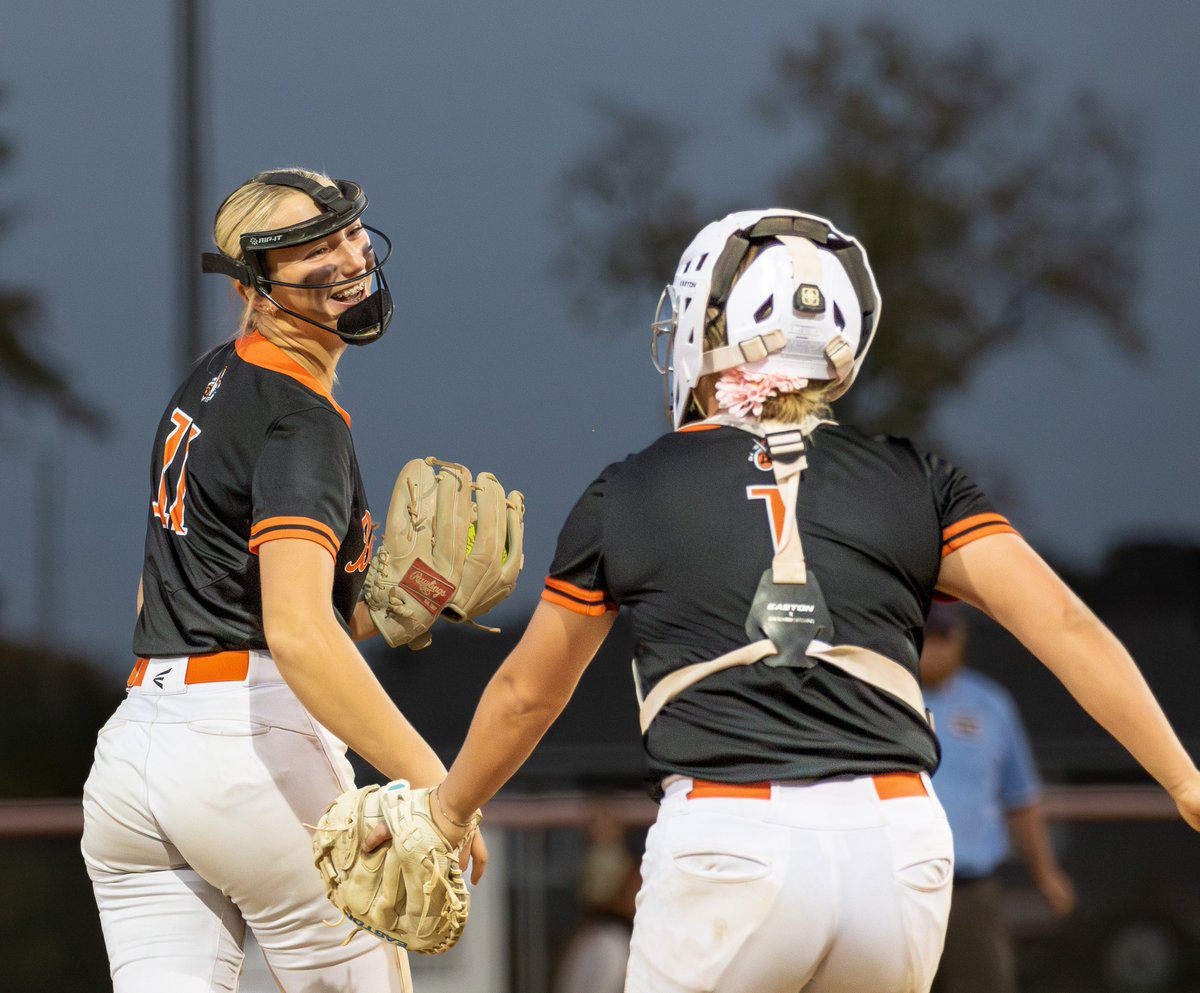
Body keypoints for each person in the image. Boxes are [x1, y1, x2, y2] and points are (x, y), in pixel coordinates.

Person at [376, 208, 1200, 993]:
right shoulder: (918, 476)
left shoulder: (631, 489)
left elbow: (530, 691)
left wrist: (449, 812)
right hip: (898, 844)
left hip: (732, 838)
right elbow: (1063, 623)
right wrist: (1184, 780)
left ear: (711, 329)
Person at [81, 168, 486, 993]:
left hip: (135, 755)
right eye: (311, 248)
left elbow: (185, 599)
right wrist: (436, 785)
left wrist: (392, 603)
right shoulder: (300, 418)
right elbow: (296, 635)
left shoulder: (207, 380)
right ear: (258, 286)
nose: (346, 256)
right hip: (248, 748)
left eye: (347, 233)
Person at [922, 602, 1076, 993]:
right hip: (896, 887)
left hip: (971, 890)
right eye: (928, 637)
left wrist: (1045, 872)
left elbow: (1021, 796)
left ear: (961, 639)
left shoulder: (990, 704)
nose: (936, 647)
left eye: (945, 636)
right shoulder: (882, 696)